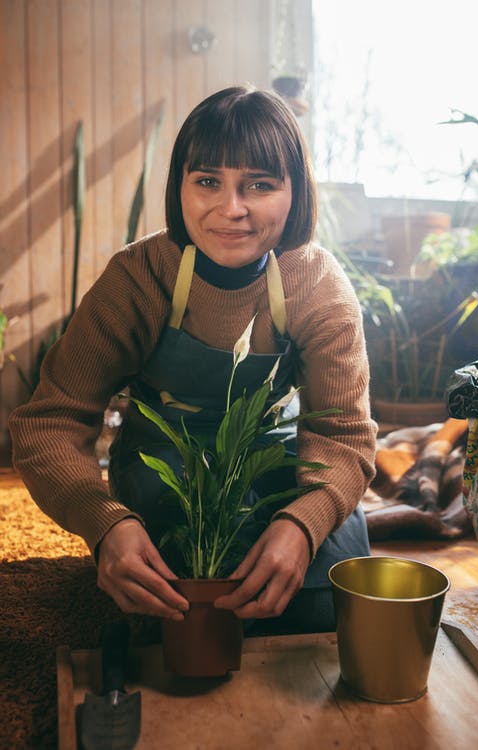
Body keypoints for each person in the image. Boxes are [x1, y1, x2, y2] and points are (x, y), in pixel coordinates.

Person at [9, 85, 377, 634]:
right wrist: (107, 524)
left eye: (260, 185)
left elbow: (343, 434)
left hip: (276, 458)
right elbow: (49, 424)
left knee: (328, 603)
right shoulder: (138, 278)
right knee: (176, 605)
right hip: (165, 463)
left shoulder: (316, 283)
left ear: (295, 193)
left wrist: (303, 525)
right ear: (179, 187)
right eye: (208, 181)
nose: (232, 210)